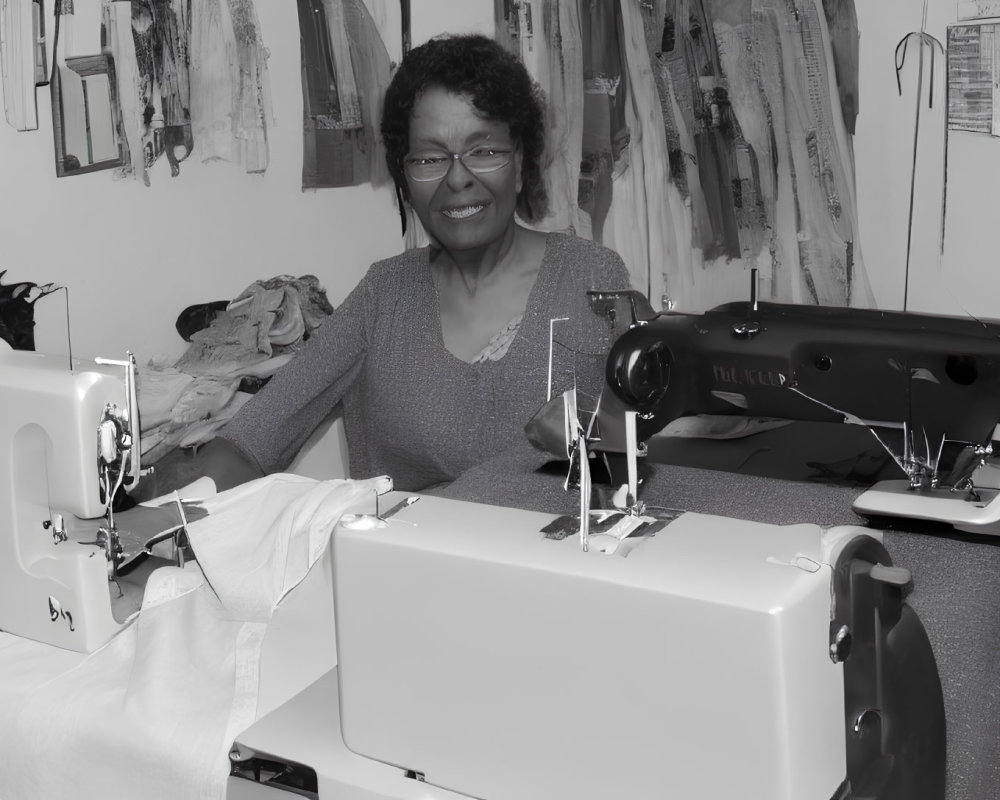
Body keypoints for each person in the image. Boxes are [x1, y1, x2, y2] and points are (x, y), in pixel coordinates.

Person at [147, 33, 634, 496]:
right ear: (404, 175)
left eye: (484, 151)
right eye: (428, 159)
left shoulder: (593, 279)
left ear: (521, 159)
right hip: (408, 573)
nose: (458, 179)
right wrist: (154, 512)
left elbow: (644, 452)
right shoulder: (385, 296)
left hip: (565, 569)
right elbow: (254, 438)